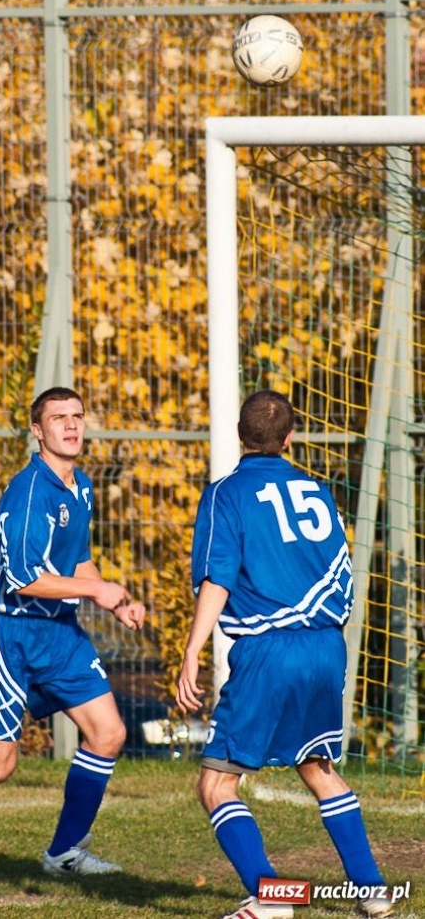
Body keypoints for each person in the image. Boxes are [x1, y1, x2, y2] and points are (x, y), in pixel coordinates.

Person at [0, 385, 146, 875]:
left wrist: (113, 598)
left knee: (108, 732)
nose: (72, 425)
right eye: (59, 418)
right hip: (7, 633)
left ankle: (64, 855)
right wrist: (97, 593)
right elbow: (24, 577)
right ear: (37, 431)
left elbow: (76, 560)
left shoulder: (81, 486)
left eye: (77, 415)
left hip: (57, 631)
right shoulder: (30, 490)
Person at [176, 390, 394, 919]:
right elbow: (341, 573)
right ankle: (373, 890)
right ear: (290, 437)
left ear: (238, 435)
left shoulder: (225, 494)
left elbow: (217, 578)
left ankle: (273, 900)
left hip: (269, 650)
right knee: (317, 766)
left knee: (217, 783)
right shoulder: (319, 491)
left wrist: (192, 651)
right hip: (325, 644)